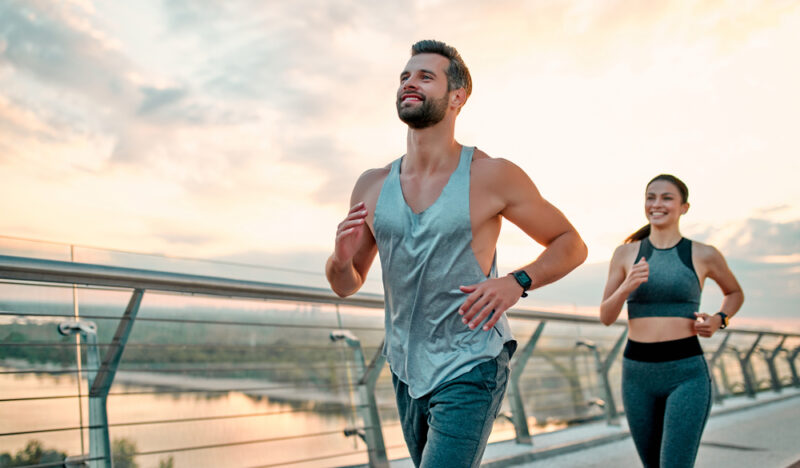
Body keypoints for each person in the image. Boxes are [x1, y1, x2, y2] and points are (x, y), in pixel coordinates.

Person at [325, 39, 587, 467]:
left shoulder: (492, 175)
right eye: (405, 76)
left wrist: (516, 282)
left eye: (425, 76)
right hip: (405, 369)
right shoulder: (371, 185)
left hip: (472, 362)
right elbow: (345, 285)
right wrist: (339, 260)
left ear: (457, 97)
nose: (409, 83)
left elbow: (571, 243)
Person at [600, 174, 744, 467]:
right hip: (637, 374)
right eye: (650, 197)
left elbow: (734, 293)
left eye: (667, 198)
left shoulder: (703, 254)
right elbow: (606, 316)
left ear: (684, 207)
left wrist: (719, 319)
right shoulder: (625, 254)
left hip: (686, 373)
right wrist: (627, 286)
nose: (657, 204)